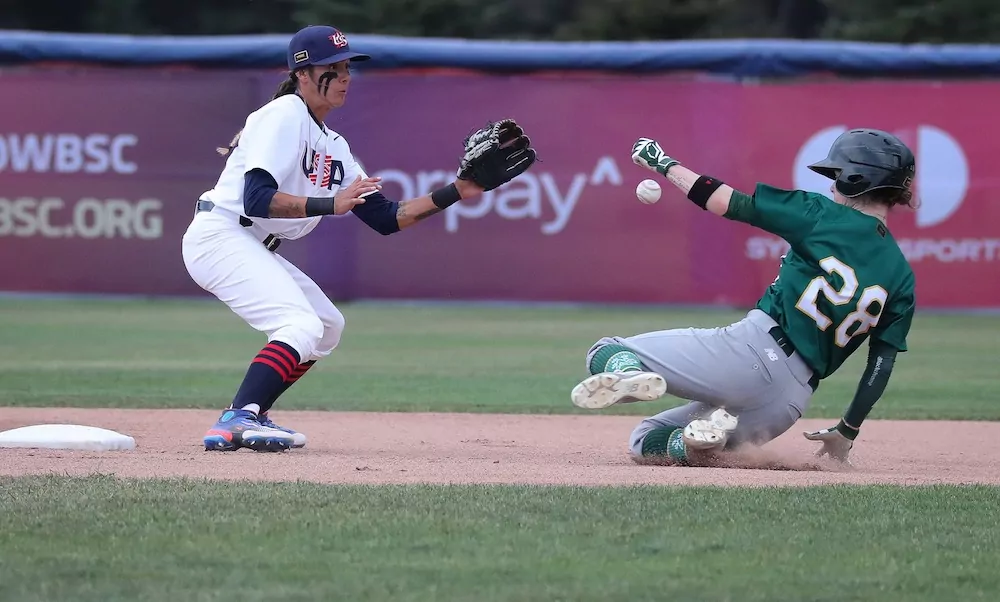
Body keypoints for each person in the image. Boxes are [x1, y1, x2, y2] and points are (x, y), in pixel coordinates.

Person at [182, 24, 536, 452]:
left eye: (347, 66)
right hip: (221, 234)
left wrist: (457, 190)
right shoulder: (283, 115)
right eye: (333, 68)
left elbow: (387, 218)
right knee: (299, 324)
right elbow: (257, 199)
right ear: (304, 74)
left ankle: (252, 411)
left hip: (248, 242)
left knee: (327, 327)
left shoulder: (335, 147)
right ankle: (238, 417)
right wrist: (332, 204)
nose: (345, 76)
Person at [570, 129, 916, 467]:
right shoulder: (901, 274)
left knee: (607, 351)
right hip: (789, 404)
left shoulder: (821, 214)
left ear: (855, 179)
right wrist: (847, 430)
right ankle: (695, 440)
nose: (831, 183)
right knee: (648, 438)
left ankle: (629, 374)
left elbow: (726, 202)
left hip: (752, 353)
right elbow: (881, 365)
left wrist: (662, 163)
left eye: (838, 175)